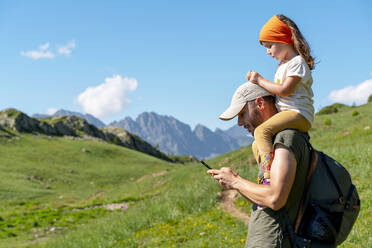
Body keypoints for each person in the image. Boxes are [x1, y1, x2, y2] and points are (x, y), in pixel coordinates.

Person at [208, 82, 334, 247]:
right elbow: (265, 200)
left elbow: (275, 198)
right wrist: (235, 184)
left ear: (260, 103)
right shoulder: (270, 144)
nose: (239, 122)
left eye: (242, 113)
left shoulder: (286, 139)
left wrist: (236, 181)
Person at [242, 14, 315, 182]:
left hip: (298, 113)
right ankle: (267, 171)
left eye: (270, 45)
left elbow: (284, 90)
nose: (268, 52)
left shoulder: (297, 62)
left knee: (261, 131)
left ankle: (268, 178)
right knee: (256, 143)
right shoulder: (283, 66)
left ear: (283, 40)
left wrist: (260, 79)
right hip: (288, 113)